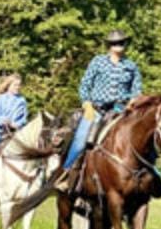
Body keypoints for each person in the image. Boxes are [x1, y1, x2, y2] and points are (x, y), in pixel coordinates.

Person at [57, 29, 142, 190]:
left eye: (121, 42)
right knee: (80, 140)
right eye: (115, 43)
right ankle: (67, 175)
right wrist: (86, 103)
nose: (119, 46)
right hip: (95, 108)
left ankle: (148, 177)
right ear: (109, 46)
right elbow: (85, 85)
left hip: (120, 110)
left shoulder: (131, 66)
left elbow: (136, 90)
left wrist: (132, 103)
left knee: (137, 139)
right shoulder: (98, 62)